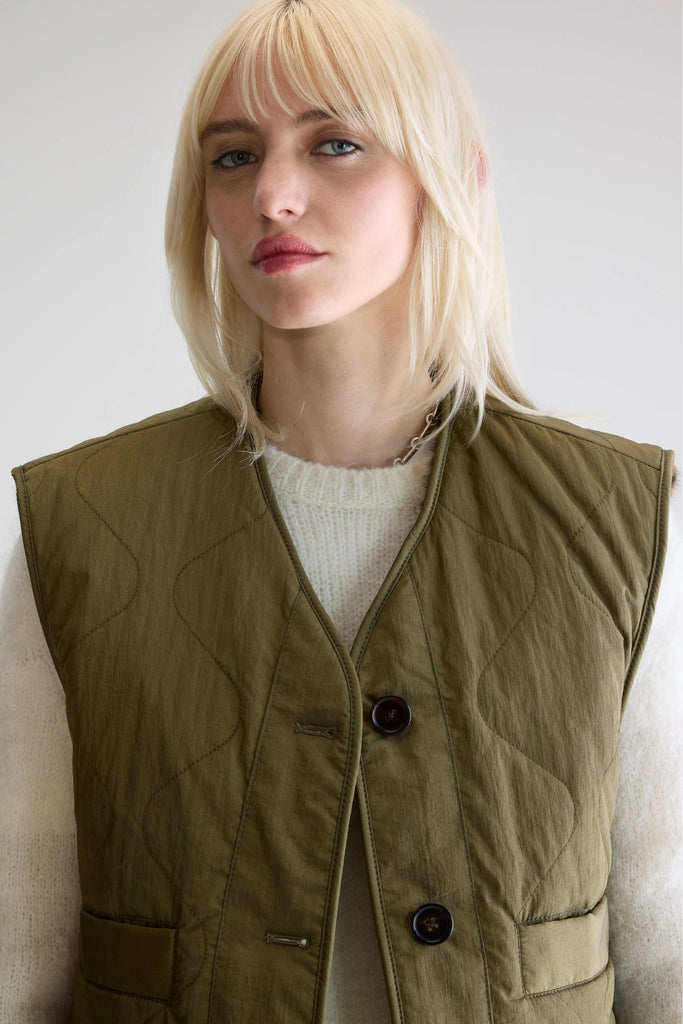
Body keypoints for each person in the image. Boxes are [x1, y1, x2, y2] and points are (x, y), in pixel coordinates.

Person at [2, 0, 679, 1020]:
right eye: (234, 158)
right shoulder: (85, 525)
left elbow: (665, 951)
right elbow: (19, 949)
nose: (273, 196)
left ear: (449, 175)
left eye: (335, 144)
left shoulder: (617, 521)